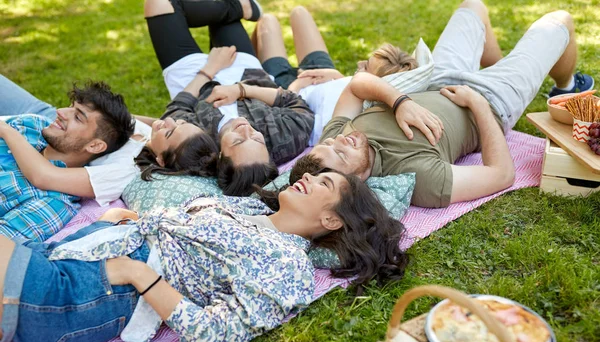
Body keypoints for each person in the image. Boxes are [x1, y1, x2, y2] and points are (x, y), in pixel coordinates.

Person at [0, 171, 408, 342]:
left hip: (84, 294)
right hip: (75, 251)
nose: (310, 176)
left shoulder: (287, 266)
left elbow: (215, 335)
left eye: (325, 184)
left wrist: (137, 273)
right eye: (317, 172)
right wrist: (125, 221)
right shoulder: (246, 206)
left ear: (332, 220)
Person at [291, 0, 595, 208]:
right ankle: (565, 86)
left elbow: (357, 83)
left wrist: (399, 103)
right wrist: (476, 103)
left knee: (472, 5)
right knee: (560, 22)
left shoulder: (335, 138)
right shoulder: (417, 179)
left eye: (333, 141)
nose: (343, 138)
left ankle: (508, 65)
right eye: (342, 152)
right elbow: (501, 174)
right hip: (491, 99)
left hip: (437, 77)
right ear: (356, 180)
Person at [144, 0, 315, 196]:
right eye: (257, 139)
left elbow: (177, 108)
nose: (245, 130)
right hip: (246, 72)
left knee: (158, 4)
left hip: (193, 77)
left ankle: (242, 7)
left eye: (238, 142)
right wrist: (241, 90)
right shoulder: (284, 140)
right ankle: (241, 7)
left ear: (220, 155)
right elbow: (294, 102)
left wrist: (209, 70)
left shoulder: (196, 144)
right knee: (221, 13)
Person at [0, 75, 219, 217]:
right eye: (180, 122)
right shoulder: (151, 134)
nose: (168, 120)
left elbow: (44, 177)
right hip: (55, 120)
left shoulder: (125, 171)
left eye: (171, 131)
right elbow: (120, 118)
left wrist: (5, 129)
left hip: (57, 135)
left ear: (161, 159)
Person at [253, 6, 420, 144]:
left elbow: (302, 124)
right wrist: (338, 77)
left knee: (266, 22)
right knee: (299, 12)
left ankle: (248, 61)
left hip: (289, 91)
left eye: (365, 67)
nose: (358, 63)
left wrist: (295, 87)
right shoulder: (361, 87)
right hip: (325, 74)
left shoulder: (341, 119)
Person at [0, 80, 135, 241]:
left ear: (95, 145)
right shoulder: (33, 125)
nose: (60, 111)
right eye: (71, 106)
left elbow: (5, 247)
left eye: (77, 117)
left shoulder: (54, 204)